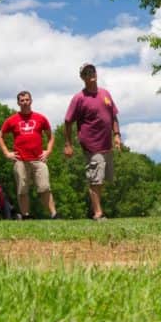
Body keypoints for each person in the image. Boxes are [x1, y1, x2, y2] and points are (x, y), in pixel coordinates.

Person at [63, 63, 121, 220]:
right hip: (91, 144)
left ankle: (96, 209)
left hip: (106, 144)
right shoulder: (79, 98)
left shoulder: (105, 93)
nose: (91, 74)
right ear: (82, 78)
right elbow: (68, 121)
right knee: (95, 179)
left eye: (92, 71)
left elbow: (113, 116)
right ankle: (98, 213)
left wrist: (116, 135)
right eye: (86, 73)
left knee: (102, 180)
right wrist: (68, 144)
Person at [0, 91, 58, 219]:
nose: (25, 102)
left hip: (38, 160)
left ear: (31, 101)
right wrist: (7, 153)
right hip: (20, 161)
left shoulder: (40, 118)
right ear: (18, 103)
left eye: (27, 100)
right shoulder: (12, 120)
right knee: (22, 190)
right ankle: (26, 215)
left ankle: (54, 214)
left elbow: (51, 137)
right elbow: (0, 136)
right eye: (22, 100)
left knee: (44, 187)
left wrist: (48, 150)